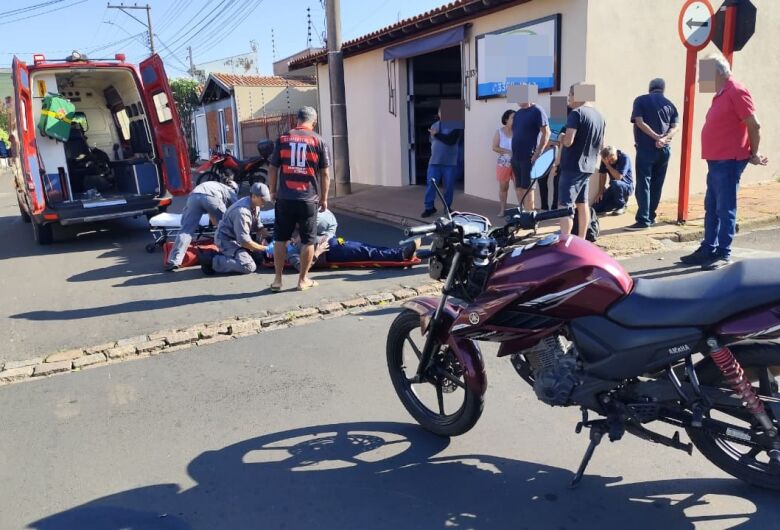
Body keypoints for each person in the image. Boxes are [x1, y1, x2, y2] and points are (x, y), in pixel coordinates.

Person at [680, 55, 768, 270]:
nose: (700, 78)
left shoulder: (736, 90)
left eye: (703, 73)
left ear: (717, 73)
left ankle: (723, 252)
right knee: (712, 207)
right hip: (717, 161)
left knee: (725, 208)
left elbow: (754, 125)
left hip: (728, 161)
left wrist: (753, 153)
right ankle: (708, 248)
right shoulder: (721, 94)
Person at [268, 106, 331, 291]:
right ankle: (303, 280)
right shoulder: (319, 141)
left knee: (280, 239)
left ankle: (278, 280)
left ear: (297, 120)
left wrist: (272, 191)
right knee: (308, 240)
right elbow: (325, 174)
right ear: (314, 121)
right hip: (308, 198)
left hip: (285, 198)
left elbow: (273, 168)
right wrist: (324, 198)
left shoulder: (283, 138)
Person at [286, 209, 419, 271]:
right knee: (365, 251)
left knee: (364, 246)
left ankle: (399, 253)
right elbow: (302, 267)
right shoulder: (290, 249)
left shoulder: (294, 233)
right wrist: (318, 252)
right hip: (330, 252)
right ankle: (400, 254)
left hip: (336, 242)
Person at [627, 78, 679, 231]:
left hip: (646, 148)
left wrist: (656, 137)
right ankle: (651, 215)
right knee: (657, 184)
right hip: (664, 150)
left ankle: (643, 220)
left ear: (650, 88)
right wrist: (664, 138)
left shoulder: (641, 100)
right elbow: (676, 127)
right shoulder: (670, 104)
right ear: (663, 89)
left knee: (644, 183)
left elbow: (639, 122)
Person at [558, 82, 606, 238]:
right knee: (582, 204)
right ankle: (582, 239)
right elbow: (601, 146)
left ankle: (565, 243)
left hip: (572, 166)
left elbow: (568, 141)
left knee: (565, 206)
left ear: (577, 95)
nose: (569, 98)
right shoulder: (600, 116)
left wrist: (561, 137)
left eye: (570, 95)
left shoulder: (576, 113)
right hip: (589, 166)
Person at [164, 179, 239, 271]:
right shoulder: (230, 190)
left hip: (193, 197)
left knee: (186, 231)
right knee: (227, 227)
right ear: (234, 188)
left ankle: (174, 261)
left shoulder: (213, 185)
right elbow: (237, 210)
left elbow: (212, 217)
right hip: (212, 198)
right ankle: (234, 254)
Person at [200, 182, 271, 275]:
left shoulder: (255, 205)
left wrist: (271, 239)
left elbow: (258, 226)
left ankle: (232, 255)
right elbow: (244, 241)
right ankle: (212, 260)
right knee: (248, 266)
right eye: (263, 200)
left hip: (237, 238)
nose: (265, 202)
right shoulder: (242, 212)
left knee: (259, 258)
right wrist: (266, 249)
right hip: (226, 240)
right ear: (254, 196)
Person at [511, 92, 551, 211]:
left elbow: (546, 133)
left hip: (529, 158)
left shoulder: (537, 111)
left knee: (527, 189)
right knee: (518, 188)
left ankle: (530, 218)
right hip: (516, 158)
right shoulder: (517, 114)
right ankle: (523, 215)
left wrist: (538, 152)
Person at [421, 108, 462, 218]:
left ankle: (447, 207)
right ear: (438, 114)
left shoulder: (456, 125)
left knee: (448, 187)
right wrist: (436, 134)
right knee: (431, 185)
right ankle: (429, 208)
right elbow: (432, 141)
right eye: (441, 112)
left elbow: (451, 140)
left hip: (450, 163)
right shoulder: (434, 125)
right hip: (434, 162)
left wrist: (437, 135)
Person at [593, 146, 633, 215]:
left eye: (611, 159)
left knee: (615, 183)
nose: (610, 162)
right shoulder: (605, 159)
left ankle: (621, 206)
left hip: (627, 187)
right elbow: (602, 175)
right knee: (596, 207)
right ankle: (613, 205)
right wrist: (600, 191)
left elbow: (618, 177)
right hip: (614, 187)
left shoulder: (624, 158)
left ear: (614, 154)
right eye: (607, 160)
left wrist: (607, 165)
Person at [492, 110, 515, 216]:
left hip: (517, 162)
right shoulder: (499, 131)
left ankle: (522, 210)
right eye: (513, 118)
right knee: (503, 187)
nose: (515, 120)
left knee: (519, 187)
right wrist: (507, 151)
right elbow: (494, 147)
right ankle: (502, 210)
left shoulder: (518, 131)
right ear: (506, 119)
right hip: (503, 163)